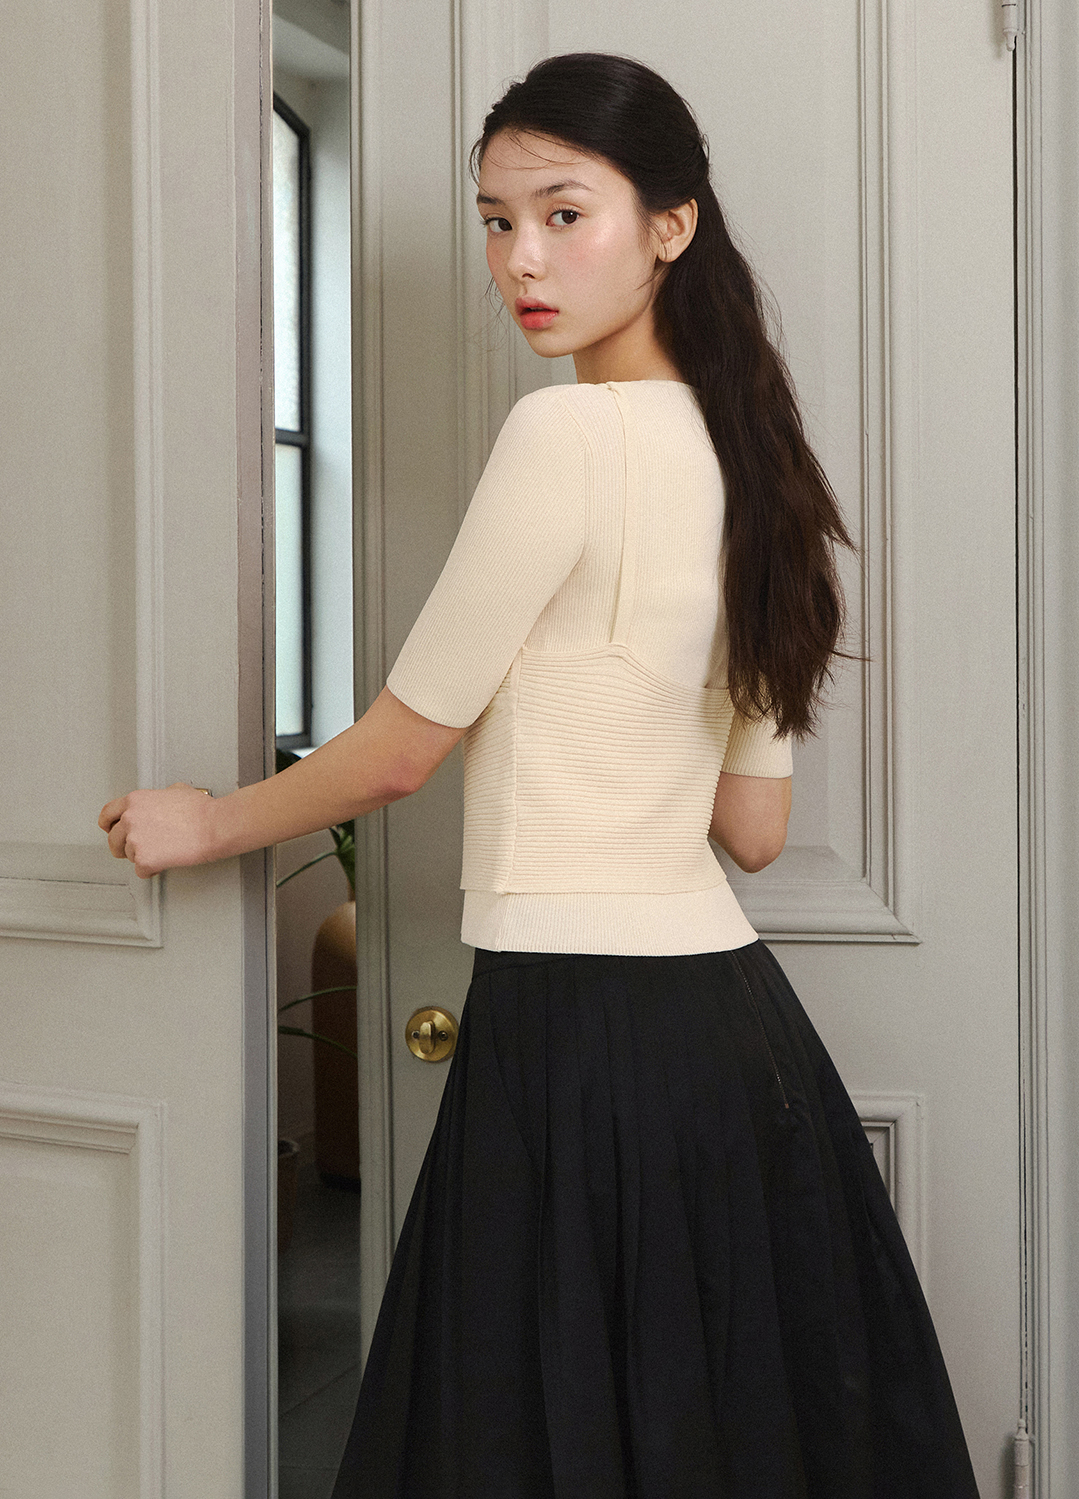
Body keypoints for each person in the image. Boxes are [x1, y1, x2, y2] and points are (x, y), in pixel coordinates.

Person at [101, 52, 980, 1499]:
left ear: (671, 225)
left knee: (529, 1444)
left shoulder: (565, 435)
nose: (523, 259)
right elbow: (754, 828)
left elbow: (403, 749)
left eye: (566, 215)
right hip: (733, 1041)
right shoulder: (759, 465)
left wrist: (206, 822)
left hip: (580, 1025)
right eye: (498, 222)